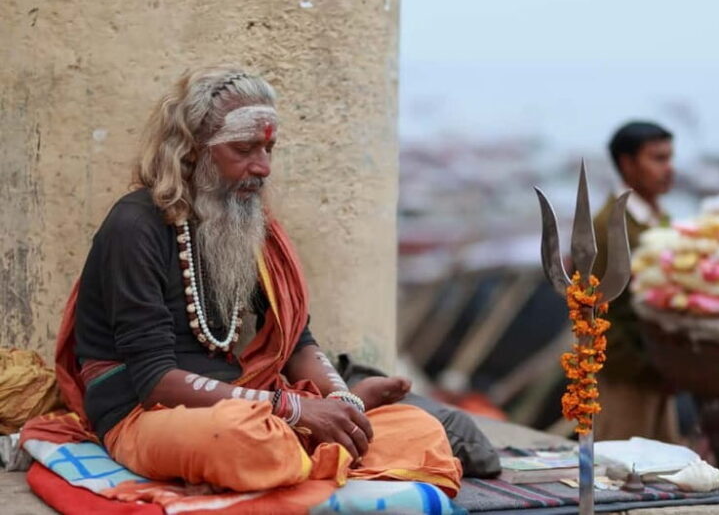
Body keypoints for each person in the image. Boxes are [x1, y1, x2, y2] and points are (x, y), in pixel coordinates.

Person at [58, 65, 462, 495]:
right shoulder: (135, 225)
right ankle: (304, 455)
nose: (263, 167)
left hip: (246, 405)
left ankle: (305, 453)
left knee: (420, 430)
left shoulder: (243, 220)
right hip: (145, 415)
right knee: (243, 441)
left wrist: (343, 401)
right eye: (245, 148)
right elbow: (155, 382)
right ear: (194, 149)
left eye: (270, 148)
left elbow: (298, 341)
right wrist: (296, 409)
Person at [592, 120, 679, 442]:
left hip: (658, 372)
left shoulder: (659, 218)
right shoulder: (610, 226)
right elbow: (595, 310)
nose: (668, 169)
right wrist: (646, 367)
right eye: (658, 159)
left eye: (670, 158)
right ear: (627, 163)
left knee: (666, 470)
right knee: (623, 468)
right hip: (625, 376)